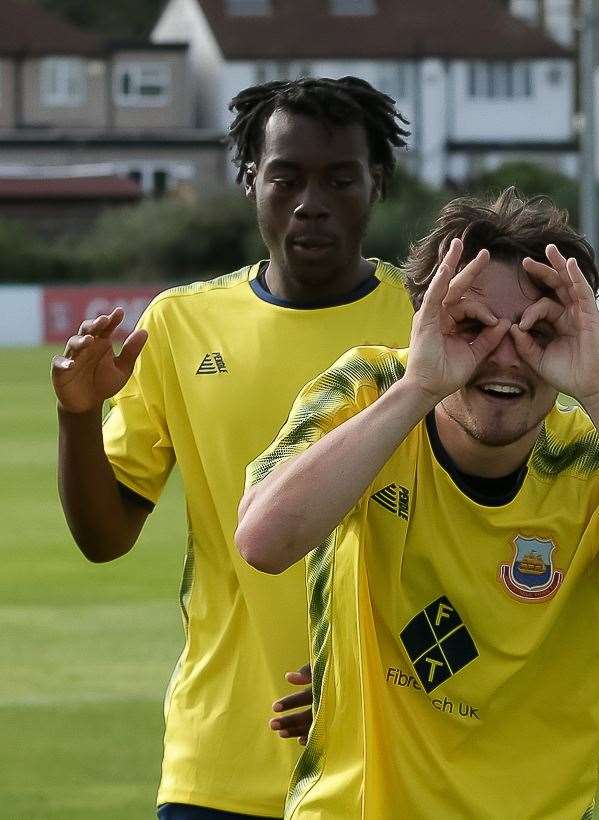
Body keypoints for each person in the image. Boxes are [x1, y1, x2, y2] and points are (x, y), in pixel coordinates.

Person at [235, 189, 599, 818]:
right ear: (423, 324)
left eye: (539, 332)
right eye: (470, 326)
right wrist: (420, 384)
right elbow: (263, 540)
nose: (503, 355)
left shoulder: (595, 462)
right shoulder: (371, 393)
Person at [51, 76, 413, 820]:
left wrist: (371, 676)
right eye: (285, 176)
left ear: (377, 182)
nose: (311, 202)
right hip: (219, 756)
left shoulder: (434, 322)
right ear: (249, 180)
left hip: (397, 743)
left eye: (339, 178)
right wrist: (78, 420)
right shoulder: (180, 326)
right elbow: (105, 535)